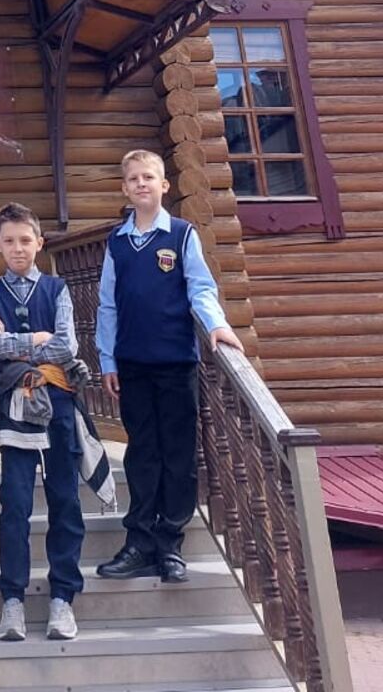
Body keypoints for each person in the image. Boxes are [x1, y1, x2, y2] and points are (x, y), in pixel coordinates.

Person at [95, 149, 244, 584]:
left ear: (164, 185)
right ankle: (139, 543)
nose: (141, 184)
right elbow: (107, 305)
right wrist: (108, 358)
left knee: (178, 455)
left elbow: (200, 287)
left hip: (176, 362)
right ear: (125, 189)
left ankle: (170, 545)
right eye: (133, 179)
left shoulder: (181, 235)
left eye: (149, 177)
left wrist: (216, 325)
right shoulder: (117, 243)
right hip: (132, 363)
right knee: (143, 453)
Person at [0, 201, 83, 642]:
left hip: (58, 403)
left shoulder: (57, 289)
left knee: (65, 500)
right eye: (10, 241)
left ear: (39, 243)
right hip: (15, 408)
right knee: (16, 505)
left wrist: (20, 344)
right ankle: (13, 599)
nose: (18, 248)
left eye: (26, 240)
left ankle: (63, 597)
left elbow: (66, 346)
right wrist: (36, 339)